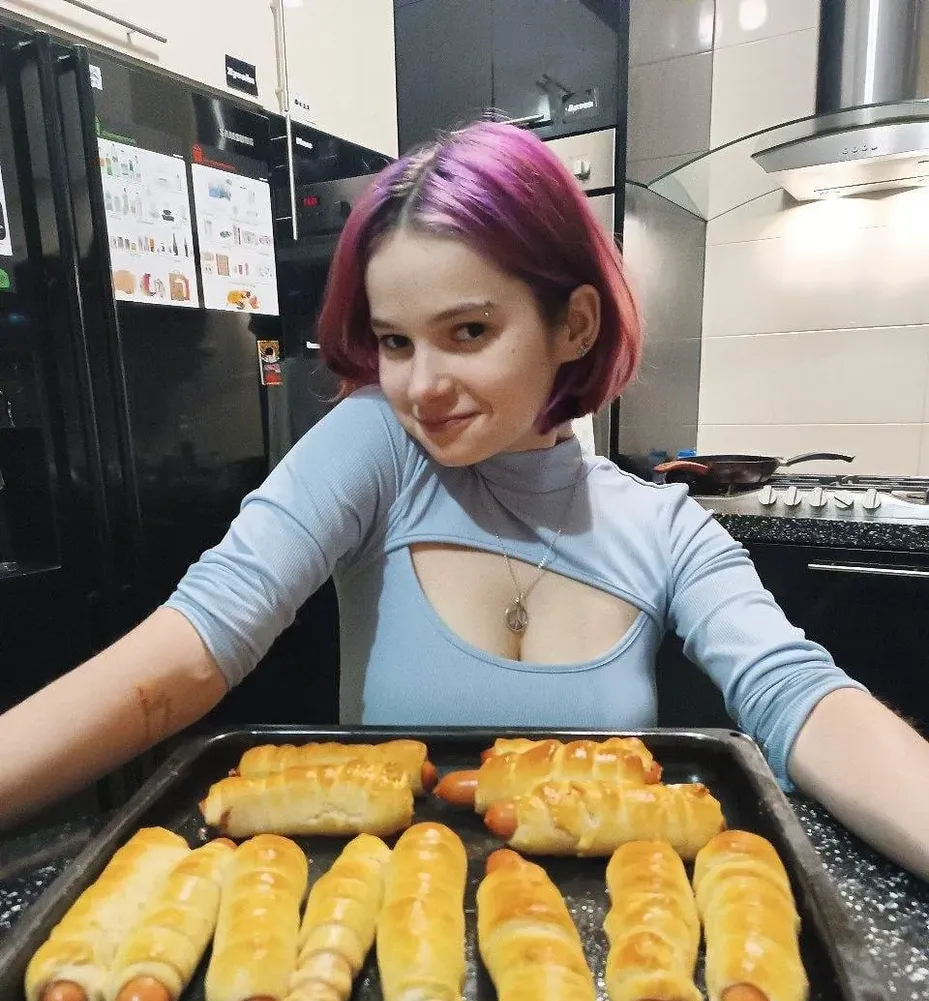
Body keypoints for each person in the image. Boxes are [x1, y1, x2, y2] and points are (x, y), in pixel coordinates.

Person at [1, 122, 927, 881]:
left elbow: (802, 699)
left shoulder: (664, 528)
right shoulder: (377, 448)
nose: (421, 386)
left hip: (603, 959)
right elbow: (190, 651)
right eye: (395, 341)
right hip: (388, 935)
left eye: (469, 331)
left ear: (574, 323)